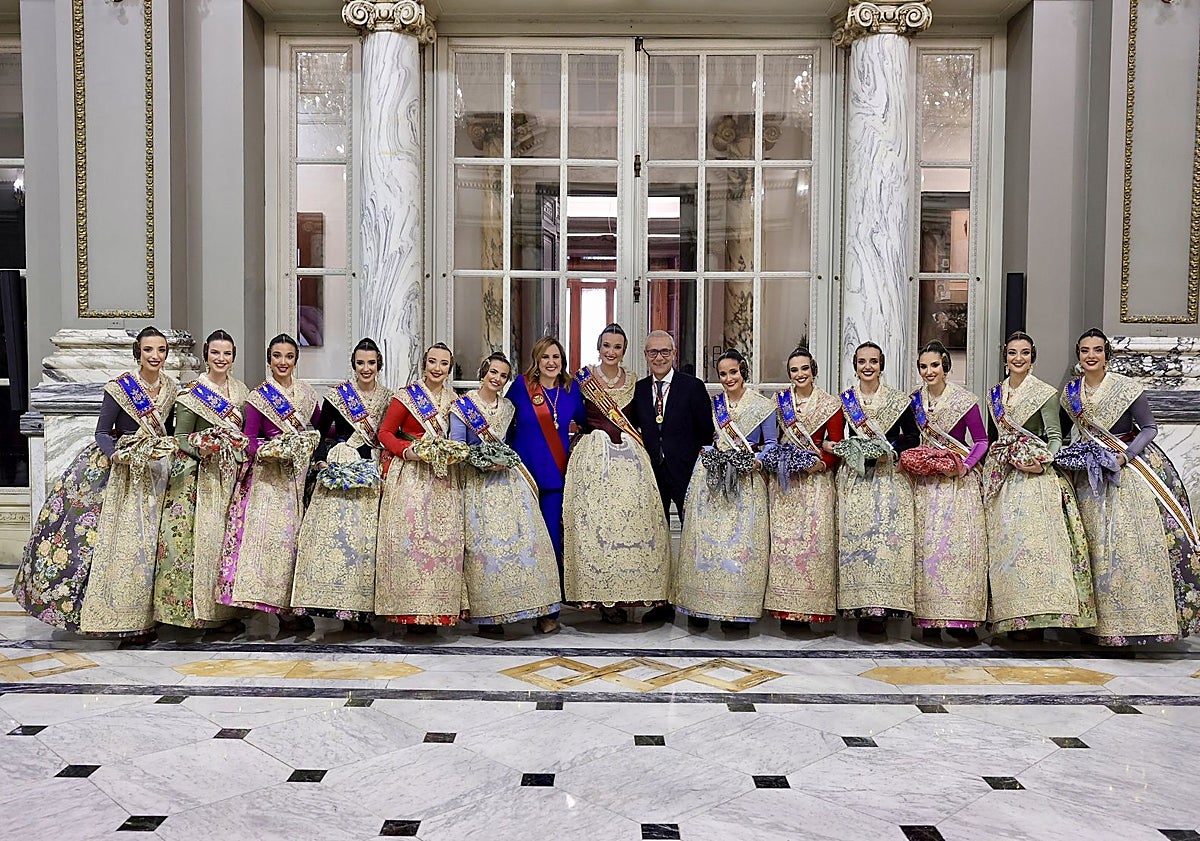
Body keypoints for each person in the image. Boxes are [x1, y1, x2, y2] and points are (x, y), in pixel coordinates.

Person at [15, 327, 178, 638]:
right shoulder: (119, 388)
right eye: (148, 350)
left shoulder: (171, 388)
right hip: (118, 471)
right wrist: (117, 456)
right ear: (137, 353)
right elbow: (102, 432)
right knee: (111, 544)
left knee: (149, 547)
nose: (155, 356)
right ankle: (111, 615)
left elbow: (165, 432)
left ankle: (147, 615)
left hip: (156, 471)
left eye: (160, 350)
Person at [1060, 328, 1200, 645]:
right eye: (1085, 350)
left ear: (1107, 355)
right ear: (1079, 355)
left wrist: (1124, 457)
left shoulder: (1127, 389)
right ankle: (1091, 627)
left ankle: (1126, 628)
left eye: (1097, 350)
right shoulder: (1070, 392)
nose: (1091, 356)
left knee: (1123, 548)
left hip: (1124, 472)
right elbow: (1072, 434)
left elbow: (1149, 428)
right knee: (1091, 550)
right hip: (1087, 476)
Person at [982, 331, 1095, 641]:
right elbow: (995, 439)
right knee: (1007, 549)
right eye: (1013, 353)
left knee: (1039, 548)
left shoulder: (1044, 393)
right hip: (1003, 477)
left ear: (1033, 358)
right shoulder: (994, 394)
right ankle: (1012, 617)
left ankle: (1042, 618)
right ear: (1004, 358)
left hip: (1037, 478)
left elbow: (1056, 436)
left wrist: (1042, 462)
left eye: (1025, 353)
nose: (1018, 358)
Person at [562, 324, 671, 624]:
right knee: (594, 525)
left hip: (629, 460)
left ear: (624, 351)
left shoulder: (635, 381)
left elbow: (642, 419)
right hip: (593, 457)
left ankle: (628, 593)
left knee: (630, 523)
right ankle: (600, 599)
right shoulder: (582, 380)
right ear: (599, 347)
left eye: (618, 347)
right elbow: (569, 415)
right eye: (606, 346)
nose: (611, 352)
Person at [217, 334, 320, 640]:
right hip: (270, 483)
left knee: (298, 547)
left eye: (289, 356)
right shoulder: (258, 398)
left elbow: (322, 426)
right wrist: (272, 449)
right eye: (277, 356)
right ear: (269, 359)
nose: (283, 362)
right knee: (277, 546)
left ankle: (296, 607)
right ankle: (281, 613)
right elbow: (248, 442)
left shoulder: (307, 394)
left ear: (296, 360)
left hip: (300, 479)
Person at [450, 353, 562, 632]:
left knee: (526, 543)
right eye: (493, 372)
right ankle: (489, 617)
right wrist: (483, 462)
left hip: (509, 483)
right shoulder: (462, 406)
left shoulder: (509, 407)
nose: (497, 379)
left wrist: (503, 461)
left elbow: (510, 442)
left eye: (502, 375)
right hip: (477, 484)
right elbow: (458, 447)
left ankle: (535, 608)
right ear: (483, 371)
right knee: (486, 550)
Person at [292, 338, 393, 639]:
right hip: (341, 474)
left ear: (379, 365)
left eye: (371, 363)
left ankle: (366, 610)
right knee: (340, 543)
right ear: (353, 364)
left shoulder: (389, 398)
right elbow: (320, 435)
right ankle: (339, 607)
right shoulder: (338, 396)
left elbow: (390, 435)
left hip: (373, 472)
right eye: (360, 363)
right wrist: (322, 462)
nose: (366, 368)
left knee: (368, 544)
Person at [674, 349, 776, 632]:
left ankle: (736, 612)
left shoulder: (762, 406)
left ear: (743, 371)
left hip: (745, 482)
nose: (729, 378)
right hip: (711, 481)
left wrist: (756, 461)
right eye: (723, 374)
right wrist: (709, 454)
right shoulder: (713, 405)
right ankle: (700, 608)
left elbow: (771, 445)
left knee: (739, 547)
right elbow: (706, 438)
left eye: (733, 372)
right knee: (705, 545)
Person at [154, 329, 250, 630]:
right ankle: (197, 614)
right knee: (199, 547)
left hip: (232, 476)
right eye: (215, 353)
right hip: (200, 477)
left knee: (227, 544)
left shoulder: (241, 391)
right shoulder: (192, 392)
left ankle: (226, 613)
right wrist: (204, 446)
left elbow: (244, 435)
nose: (221, 359)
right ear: (206, 355)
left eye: (227, 354)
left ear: (233, 358)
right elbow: (180, 438)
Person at [376, 342, 465, 632]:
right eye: (432, 362)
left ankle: (437, 610)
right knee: (413, 544)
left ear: (450, 369)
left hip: (442, 478)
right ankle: (409, 612)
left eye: (443, 364)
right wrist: (407, 451)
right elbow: (385, 433)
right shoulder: (406, 397)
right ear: (423, 364)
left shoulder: (456, 401)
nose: (437, 368)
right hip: (411, 476)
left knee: (442, 545)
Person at [906, 341, 989, 642]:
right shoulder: (914, 401)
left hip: (957, 484)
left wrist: (965, 466)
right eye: (923, 367)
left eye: (934, 366)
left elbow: (980, 441)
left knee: (956, 549)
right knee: (926, 550)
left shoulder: (965, 400)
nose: (929, 372)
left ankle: (960, 621)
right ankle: (929, 622)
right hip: (925, 484)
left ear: (945, 367)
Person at [835, 341, 920, 636]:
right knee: (857, 543)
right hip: (855, 481)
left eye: (873, 361)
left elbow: (912, 437)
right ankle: (858, 606)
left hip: (887, 481)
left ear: (881, 365)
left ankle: (883, 609)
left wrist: (889, 450)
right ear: (855, 366)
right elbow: (839, 437)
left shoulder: (898, 401)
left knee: (884, 544)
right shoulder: (845, 401)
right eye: (861, 362)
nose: (867, 367)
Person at [632, 330, 714, 624]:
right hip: (652, 474)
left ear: (674, 353)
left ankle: (695, 605)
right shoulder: (640, 390)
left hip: (687, 473)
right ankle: (662, 602)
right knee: (657, 539)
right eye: (653, 352)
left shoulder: (692, 387)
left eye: (665, 352)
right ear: (645, 356)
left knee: (693, 538)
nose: (659, 358)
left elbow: (706, 432)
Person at [508, 336, 586, 634]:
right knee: (524, 541)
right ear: (536, 361)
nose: (551, 362)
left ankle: (550, 610)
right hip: (524, 476)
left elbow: (584, 422)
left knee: (551, 542)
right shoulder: (519, 387)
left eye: (556, 357)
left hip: (556, 477)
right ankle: (519, 602)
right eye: (545, 357)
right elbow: (501, 421)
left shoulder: (571, 390)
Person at [764, 347, 843, 631]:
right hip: (786, 483)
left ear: (814, 370)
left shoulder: (830, 405)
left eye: (805, 369)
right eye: (794, 370)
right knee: (784, 546)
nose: (800, 374)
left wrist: (820, 464)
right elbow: (771, 439)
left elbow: (836, 445)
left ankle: (812, 612)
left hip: (816, 484)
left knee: (813, 546)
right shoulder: (779, 401)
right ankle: (785, 612)